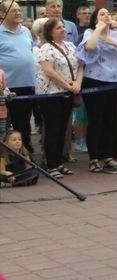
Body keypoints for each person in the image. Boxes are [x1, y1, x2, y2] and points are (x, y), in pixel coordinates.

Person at [78, 7, 117, 173]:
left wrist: (114, 42)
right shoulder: (90, 32)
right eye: (101, 14)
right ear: (96, 19)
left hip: (115, 82)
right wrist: (99, 30)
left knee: (112, 120)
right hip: (95, 82)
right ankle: (94, 158)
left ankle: (108, 155)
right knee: (96, 120)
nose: (106, 16)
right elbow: (89, 48)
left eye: (107, 14)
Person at [34, 17, 81, 178]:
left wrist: (77, 83)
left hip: (67, 93)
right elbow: (49, 71)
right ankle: (50, 164)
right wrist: (68, 86)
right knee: (52, 128)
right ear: (50, 32)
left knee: (63, 128)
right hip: (51, 93)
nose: (62, 30)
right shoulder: (46, 48)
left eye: (63, 27)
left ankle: (59, 163)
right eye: (58, 28)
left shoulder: (70, 45)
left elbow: (80, 65)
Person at [0, 1, 38, 154]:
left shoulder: (26, 31)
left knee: (23, 125)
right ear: (2, 14)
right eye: (13, 10)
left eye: (19, 10)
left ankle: (24, 158)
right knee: (4, 127)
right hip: (5, 89)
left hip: (26, 86)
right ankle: (5, 160)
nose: (18, 13)